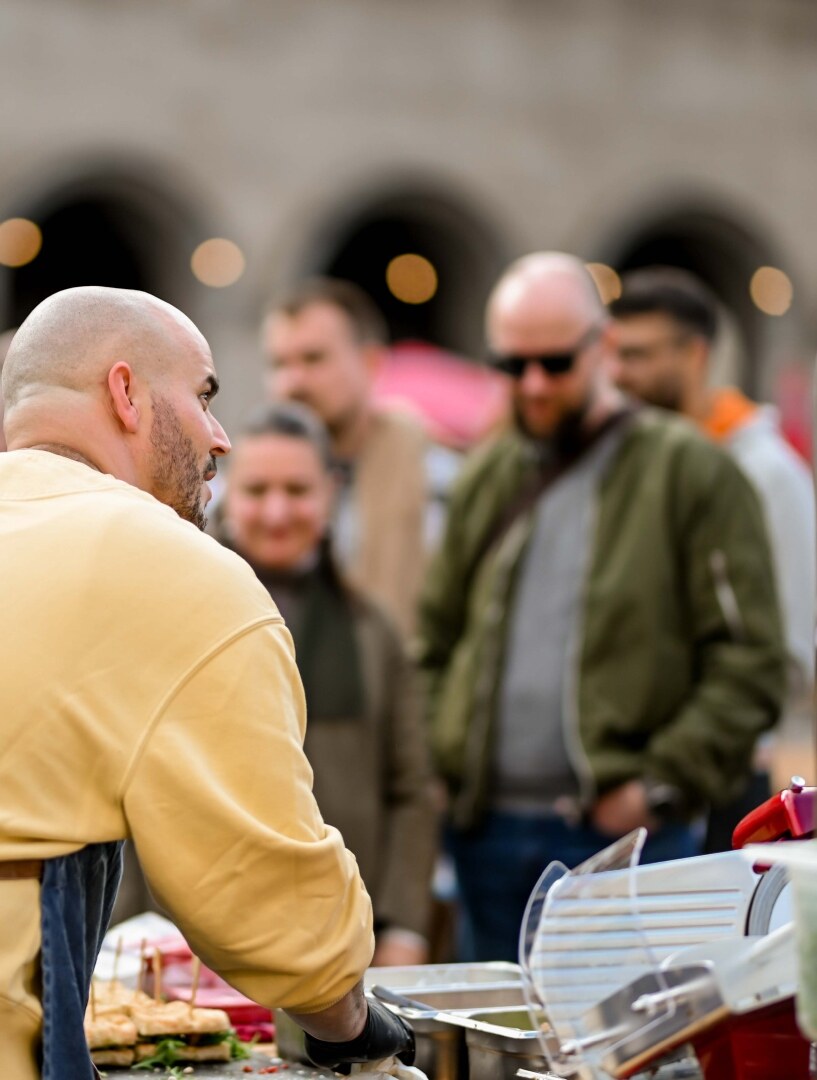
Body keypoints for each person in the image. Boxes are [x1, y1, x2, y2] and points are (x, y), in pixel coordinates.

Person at [0, 286, 414, 1079]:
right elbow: (266, 896)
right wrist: (349, 1021)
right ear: (125, 393)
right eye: (203, 395)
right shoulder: (176, 568)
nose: (220, 437)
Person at [417, 252, 786, 963]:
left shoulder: (688, 470)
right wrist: (444, 760)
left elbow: (750, 660)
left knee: (626, 1057)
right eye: (512, 362)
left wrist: (654, 784)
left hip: (624, 839)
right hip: (486, 834)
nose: (532, 383)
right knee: (500, 1050)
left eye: (554, 363)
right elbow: (433, 637)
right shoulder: (490, 471)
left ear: (603, 348)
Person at [219, 401, 438, 967]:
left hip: (342, 939)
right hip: (204, 938)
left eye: (297, 490)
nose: (275, 512)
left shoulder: (374, 631)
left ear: (332, 492)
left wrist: (404, 927)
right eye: (257, 490)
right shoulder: (179, 615)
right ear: (226, 494)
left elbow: (412, 789)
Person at [610, 267, 815, 848]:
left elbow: (791, 651)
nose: (621, 374)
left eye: (640, 354)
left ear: (695, 354)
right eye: (616, 356)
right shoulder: (628, 464)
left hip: (722, 773)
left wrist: (700, 743)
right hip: (629, 777)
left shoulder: (769, 472)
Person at [262, 278, 432, 639]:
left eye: (313, 359)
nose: (292, 382)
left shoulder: (435, 482)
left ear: (370, 363)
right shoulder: (238, 492)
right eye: (279, 363)